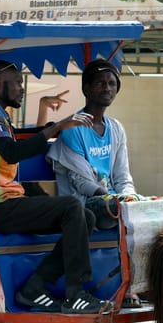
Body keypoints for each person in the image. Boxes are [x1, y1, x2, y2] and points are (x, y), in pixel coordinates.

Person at [0, 59, 108, 314]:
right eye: (17, 83)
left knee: (86, 216)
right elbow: (10, 152)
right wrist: (59, 126)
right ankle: (76, 294)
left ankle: (35, 286)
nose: (22, 88)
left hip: (8, 200)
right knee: (72, 207)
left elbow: (20, 140)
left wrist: (58, 127)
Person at [48, 59, 137, 228]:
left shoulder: (116, 128)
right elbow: (82, 183)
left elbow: (123, 177)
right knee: (118, 210)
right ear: (86, 89)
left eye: (112, 84)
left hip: (112, 203)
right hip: (85, 206)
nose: (107, 88)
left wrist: (130, 198)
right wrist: (114, 201)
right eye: (100, 83)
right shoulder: (72, 129)